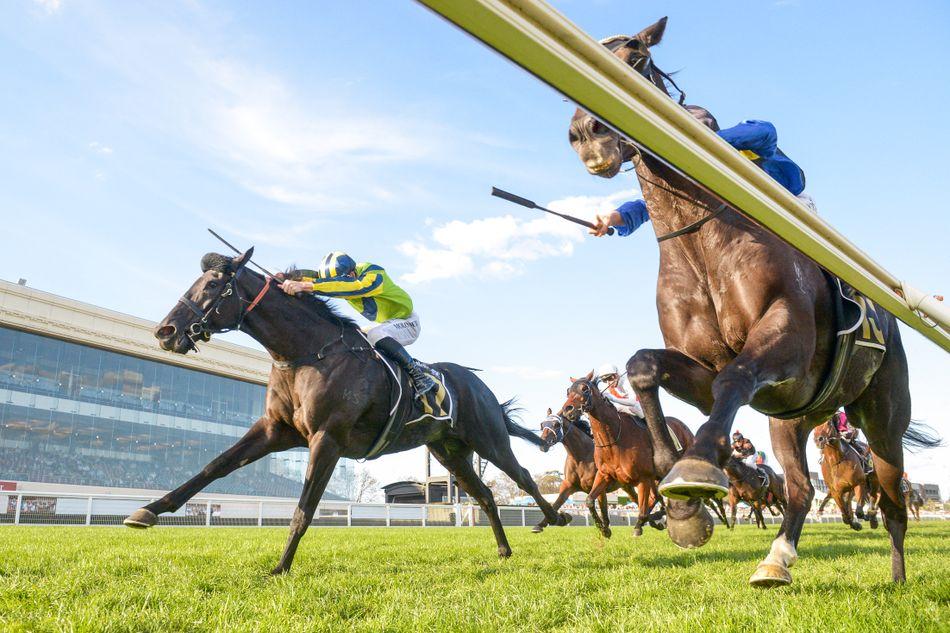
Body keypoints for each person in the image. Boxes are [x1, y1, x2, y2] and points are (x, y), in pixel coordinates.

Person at [589, 105, 816, 238]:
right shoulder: (693, 179)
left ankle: (842, 286)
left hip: (791, 206)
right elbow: (648, 207)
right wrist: (612, 218)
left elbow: (766, 131)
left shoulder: (742, 145)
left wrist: (707, 145)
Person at [278, 251, 435, 397]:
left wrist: (306, 286)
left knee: (375, 334)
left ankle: (419, 376)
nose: (339, 284)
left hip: (408, 322)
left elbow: (354, 286)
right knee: (354, 336)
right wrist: (286, 277)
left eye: (343, 279)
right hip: (387, 323)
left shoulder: (373, 274)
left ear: (352, 273)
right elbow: (315, 277)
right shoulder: (345, 277)